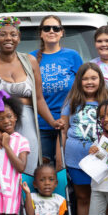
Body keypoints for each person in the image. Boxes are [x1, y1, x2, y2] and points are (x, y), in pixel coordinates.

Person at [0, 16, 58, 174]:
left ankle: (25, 197)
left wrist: (53, 122)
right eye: (3, 34)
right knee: (0, 169)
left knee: (29, 166)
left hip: (27, 120)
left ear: (19, 38)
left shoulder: (30, 61)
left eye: (13, 34)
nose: (8, 38)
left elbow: (38, 99)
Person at [59, 62, 108, 215]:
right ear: (79, 81)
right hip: (76, 159)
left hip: (102, 160)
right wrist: (59, 156)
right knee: (82, 199)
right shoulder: (71, 101)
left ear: (100, 80)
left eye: (93, 78)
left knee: (104, 199)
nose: (89, 82)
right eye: (85, 78)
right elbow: (63, 130)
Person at [30, 15, 82, 167]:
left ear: (61, 32)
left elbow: (84, 87)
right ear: (41, 33)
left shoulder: (72, 56)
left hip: (71, 124)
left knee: (68, 168)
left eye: (56, 28)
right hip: (42, 125)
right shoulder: (31, 58)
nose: (51, 31)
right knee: (45, 169)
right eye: (47, 28)